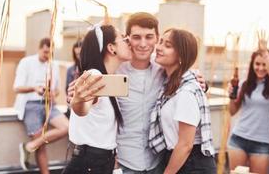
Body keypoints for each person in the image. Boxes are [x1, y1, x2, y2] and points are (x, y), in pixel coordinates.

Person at [66, 12, 208, 174]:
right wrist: (77, 98)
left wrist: (202, 82)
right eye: (136, 37)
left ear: (157, 38)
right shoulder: (112, 71)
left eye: (149, 37)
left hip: (157, 162)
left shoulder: (164, 67)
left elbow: (185, 76)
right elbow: (85, 103)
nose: (142, 44)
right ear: (127, 39)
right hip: (124, 163)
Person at [62, 24, 132, 174]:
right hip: (90, 164)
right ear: (111, 48)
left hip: (98, 162)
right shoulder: (94, 75)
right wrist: (78, 101)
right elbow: (83, 109)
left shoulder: (108, 80)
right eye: (124, 39)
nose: (129, 42)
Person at [149, 28, 216, 174]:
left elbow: (186, 144)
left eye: (167, 45)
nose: (159, 48)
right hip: (180, 160)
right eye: (160, 42)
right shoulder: (172, 85)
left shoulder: (186, 92)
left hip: (191, 164)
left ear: (181, 55)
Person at [227, 31, 269, 174]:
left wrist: (265, 53)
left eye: (265, 64)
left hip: (262, 143)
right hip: (238, 139)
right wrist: (231, 97)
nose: (261, 68)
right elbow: (232, 111)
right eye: (257, 64)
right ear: (252, 64)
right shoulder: (245, 84)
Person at [13, 38, 69, 174]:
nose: (47, 56)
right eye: (45, 52)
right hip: (30, 105)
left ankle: (29, 146)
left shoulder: (53, 65)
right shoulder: (26, 62)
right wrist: (34, 88)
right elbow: (16, 87)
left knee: (67, 127)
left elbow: (57, 90)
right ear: (39, 48)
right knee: (41, 147)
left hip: (49, 105)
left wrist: (52, 94)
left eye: (50, 53)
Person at [65, 40, 82, 118]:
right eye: (77, 54)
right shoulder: (71, 70)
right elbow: (67, 89)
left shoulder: (91, 69)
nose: (79, 57)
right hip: (73, 105)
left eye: (81, 54)